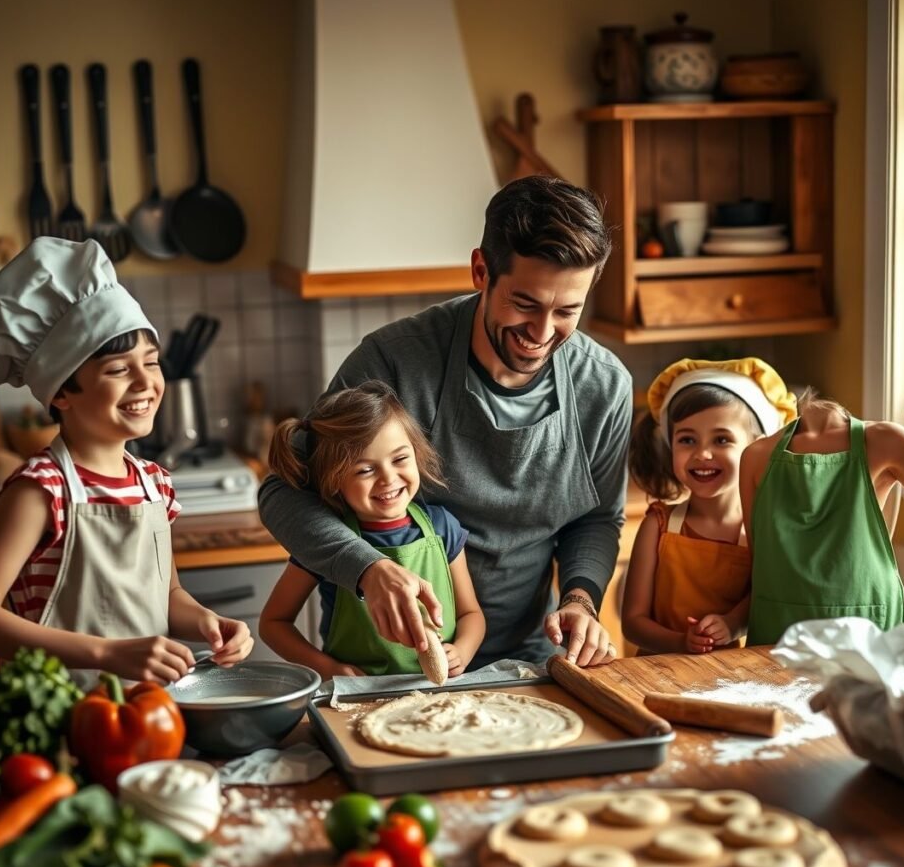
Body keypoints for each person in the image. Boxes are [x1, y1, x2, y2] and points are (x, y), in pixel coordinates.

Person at [259, 176, 633, 668]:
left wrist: (580, 599)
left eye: (568, 311)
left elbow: (596, 518)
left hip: (529, 661)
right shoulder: (392, 364)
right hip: (387, 672)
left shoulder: (604, 387)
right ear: (481, 270)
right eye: (524, 304)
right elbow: (283, 495)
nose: (542, 333)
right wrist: (367, 568)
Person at [0, 237, 254, 683]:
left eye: (152, 362)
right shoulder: (40, 490)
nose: (145, 382)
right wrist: (103, 653)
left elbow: (166, 593)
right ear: (62, 392)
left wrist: (205, 621)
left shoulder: (153, 483)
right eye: (119, 370)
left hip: (146, 717)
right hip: (59, 723)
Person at [259, 382, 485, 677]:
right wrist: (328, 669)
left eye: (400, 458)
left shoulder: (443, 528)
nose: (388, 479)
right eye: (365, 469)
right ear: (333, 480)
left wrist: (463, 650)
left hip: (438, 697)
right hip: (357, 698)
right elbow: (273, 624)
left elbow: (472, 614)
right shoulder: (325, 543)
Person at [741, 392, 904, 645]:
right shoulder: (755, 456)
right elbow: (759, 568)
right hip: (778, 630)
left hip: (867, 630)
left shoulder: (886, 443)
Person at [622, 358, 796, 655]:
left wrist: (732, 624)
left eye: (721, 439)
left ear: (757, 448)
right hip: (654, 671)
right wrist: (680, 642)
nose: (702, 453)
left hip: (726, 678)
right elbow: (633, 623)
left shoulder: (762, 529)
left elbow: (762, 599)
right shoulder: (657, 525)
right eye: (687, 439)